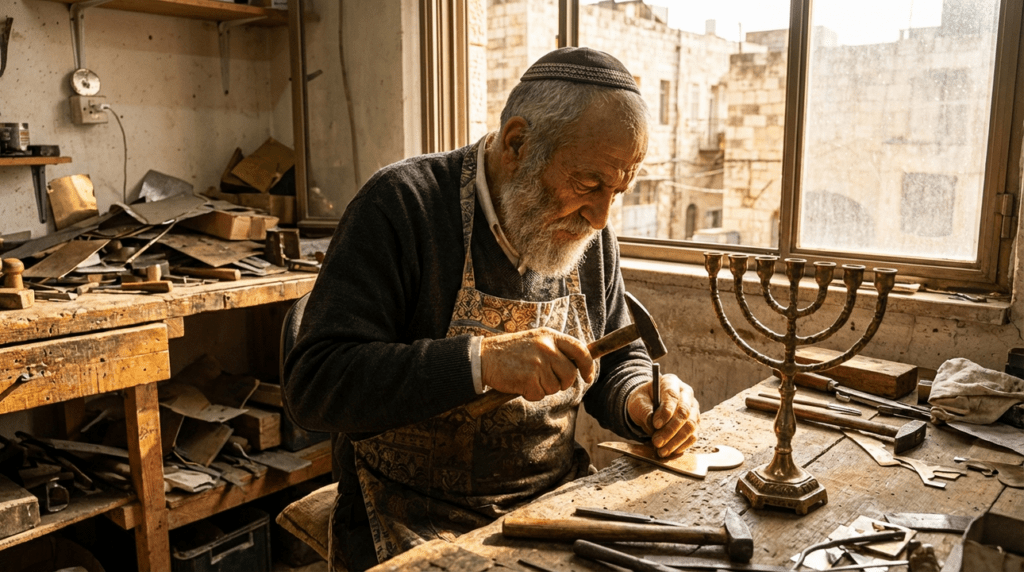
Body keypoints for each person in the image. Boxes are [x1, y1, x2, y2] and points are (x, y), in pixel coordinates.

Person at [283, 47, 701, 571]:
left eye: (618, 190)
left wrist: (641, 397)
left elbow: (616, 356)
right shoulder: (402, 204)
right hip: (407, 510)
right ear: (518, 144)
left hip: (551, 504)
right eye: (589, 184)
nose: (600, 218)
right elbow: (314, 384)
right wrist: (480, 362)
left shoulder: (590, 234)